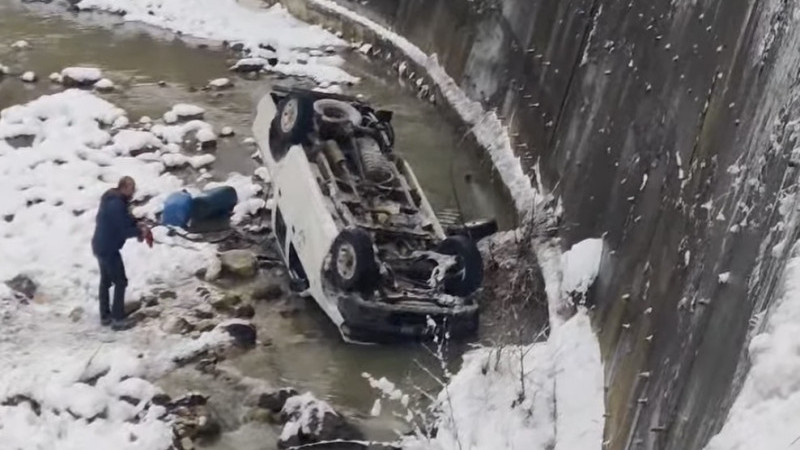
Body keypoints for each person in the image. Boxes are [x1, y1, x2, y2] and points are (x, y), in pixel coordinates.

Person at [91, 176, 151, 330]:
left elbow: (124, 220)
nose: (133, 192)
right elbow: (123, 230)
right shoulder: (116, 204)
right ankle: (117, 319)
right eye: (131, 189)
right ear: (124, 187)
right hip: (108, 248)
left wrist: (137, 224)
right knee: (120, 281)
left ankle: (105, 316)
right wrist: (140, 231)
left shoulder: (113, 200)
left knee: (106, 280)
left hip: (100, 245)